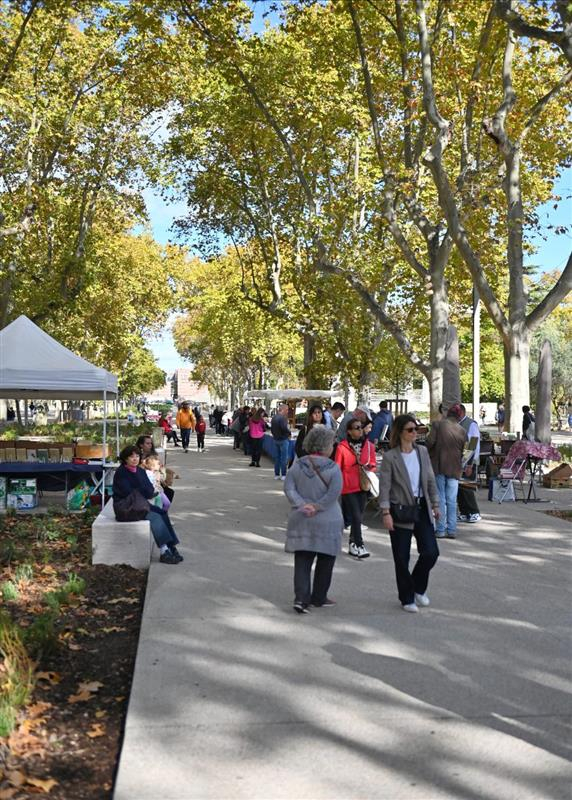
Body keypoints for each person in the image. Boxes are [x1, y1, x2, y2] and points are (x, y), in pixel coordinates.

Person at [379, 414, 441, 612]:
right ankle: (407, 598)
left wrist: (436, 504)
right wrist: (385, 512)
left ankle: (417, 588)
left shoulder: (422, 452)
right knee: (401, 556)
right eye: (410, 430)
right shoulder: (391, 457)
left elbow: (430, 479)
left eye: (417, 429)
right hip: (400, 509)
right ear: (400, 432)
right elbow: (385, 486)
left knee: (431, 552)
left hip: (422, 507)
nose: (415, 433)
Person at [284, 425, 344, 613]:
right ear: (326, 445)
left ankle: (301, 599)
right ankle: (319, 596)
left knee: (302, 561)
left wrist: (302, 504)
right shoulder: (333, 468)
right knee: (326, 560)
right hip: (328, 519)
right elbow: (334, 493)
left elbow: (289, 488)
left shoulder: (297, 464)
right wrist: (317, 506)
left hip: (301, 518)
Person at [112, 445, 183, 564]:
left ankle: (171, 546)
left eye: (137, 456)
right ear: (125, 459)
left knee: (162, 512)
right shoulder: (121, 473)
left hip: (139, 504)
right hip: (125, 507)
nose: (135, 458)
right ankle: (163, 551)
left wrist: (142, 490)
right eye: (131, 456)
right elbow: (127, 492)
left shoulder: (140, 471)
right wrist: (142, 489)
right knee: (154, 517)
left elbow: (149, 491)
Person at [334, 416, 376, 559]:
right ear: (349, 431)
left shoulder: (369, 446)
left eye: (361, 427)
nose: (360, 430)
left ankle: (353, 544)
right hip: (348, 486)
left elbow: (373, 464)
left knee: (358, 517)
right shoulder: (342, 447)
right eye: (357, 428)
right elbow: (337, 467)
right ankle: (359, 544)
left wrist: (369, 467)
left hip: (363, 485)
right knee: (356, 516)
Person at [426, 404, 467, 539]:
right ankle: (452, 529)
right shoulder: (462, 430)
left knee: (440, 498)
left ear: (447, 413)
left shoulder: (438, 425)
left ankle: (441, 529)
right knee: (452, 500)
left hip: (439, 465)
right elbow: (464, 451)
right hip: (455, 468)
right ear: (459, 416)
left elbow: (429, 442)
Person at [458, 404, 482, 523]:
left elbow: (473, 444)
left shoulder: (470, 424)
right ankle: (464, 512)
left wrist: (469, 464)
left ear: (461, 412)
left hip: (468, 461)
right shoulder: (457, 424)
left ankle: (474, 512)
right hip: (460, 461)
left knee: (467, 488)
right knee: (460, 489)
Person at [270, 403, 291, 480]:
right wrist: (289, 433)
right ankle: (284, 474)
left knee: (277, 458)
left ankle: (276, 474)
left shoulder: (274, 418)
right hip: (283, 439)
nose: (287, 411)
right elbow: (284, 428)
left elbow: (272, 429)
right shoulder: (283, 418)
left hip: (276, 439)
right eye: (287, 410)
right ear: (283, 410)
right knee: (284, 458)